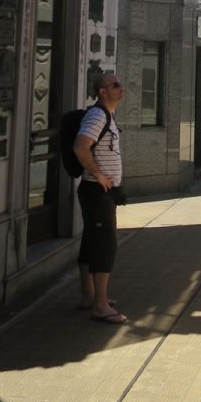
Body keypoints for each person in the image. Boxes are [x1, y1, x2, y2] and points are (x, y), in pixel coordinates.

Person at [74, 71, 127, 324]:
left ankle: (89, 295)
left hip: (99, 191)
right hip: (97, 191)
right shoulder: (97, 115)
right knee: (105, 246)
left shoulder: (108, 115)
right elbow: (80, 146)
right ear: (102, 92)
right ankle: (101, 305)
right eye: (115, 85)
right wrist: (98, 174)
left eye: (120, 84)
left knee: (91, 244)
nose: (121, 88)